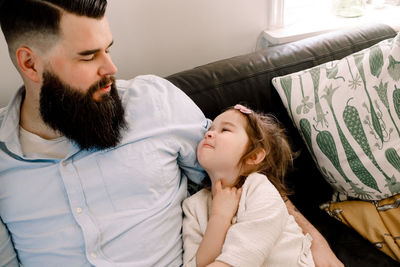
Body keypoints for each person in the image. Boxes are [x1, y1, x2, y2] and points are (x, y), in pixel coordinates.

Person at [0, 0, 343, 266]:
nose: (111, 69)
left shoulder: (155, 103)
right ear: (30, 64)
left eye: (108, 48)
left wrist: (314, 238)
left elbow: (240, 171)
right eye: (89, 57)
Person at [182, 105, 315, 267]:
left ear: (254, 156)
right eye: (210, 129)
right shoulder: (193, 206)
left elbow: (244, 258)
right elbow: (195, 264)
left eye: (225, 130)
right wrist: (219, 218)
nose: (208, 134)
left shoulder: (261, 190)